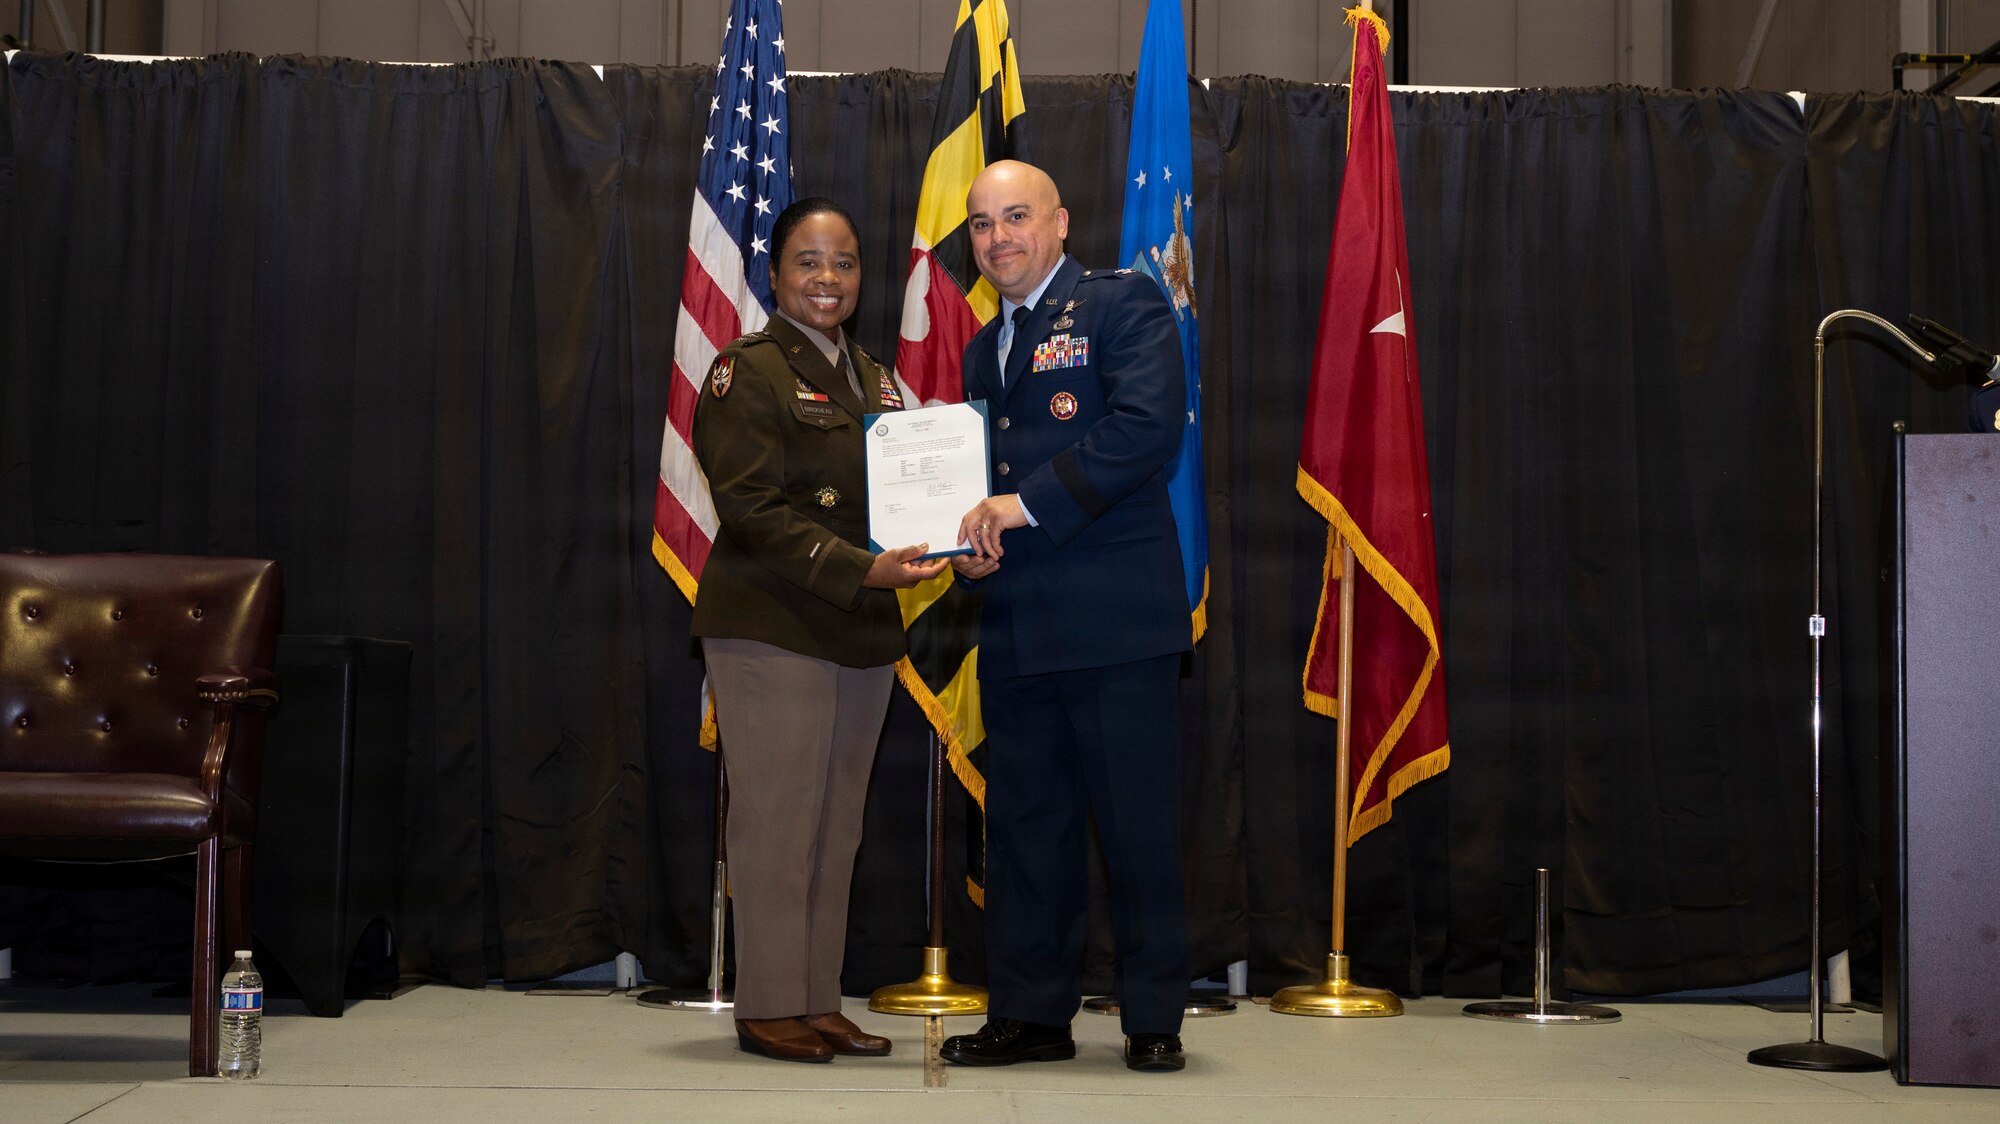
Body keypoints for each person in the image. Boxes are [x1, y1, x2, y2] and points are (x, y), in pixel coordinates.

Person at [938, 160, 1193, 1073]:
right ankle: (1030, 1014)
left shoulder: (1123, 305)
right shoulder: (981, 350)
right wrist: (972, 544)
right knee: (1025, 833)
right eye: (981, 224)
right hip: (1017, 621)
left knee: (1137, 830)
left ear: (1060, 222)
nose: (998, 237)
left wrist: (1020, 506)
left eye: (1016, 216)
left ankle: (1154, 1017)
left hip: (1117, 622)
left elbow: (1147, 428)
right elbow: (985, 484)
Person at [690, 197, 947, 1063]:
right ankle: (767, 1006)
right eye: (808, 261)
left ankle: (814, 998)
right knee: (777, 820)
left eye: (844, 262)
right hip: (772, 623)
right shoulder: (747, 371)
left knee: (836, 828)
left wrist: (943, 538)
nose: (828, 278)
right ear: (775, 274)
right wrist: (863, 569)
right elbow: (751, 509)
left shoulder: (873, 378)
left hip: (859, 629)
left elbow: (901, 497)